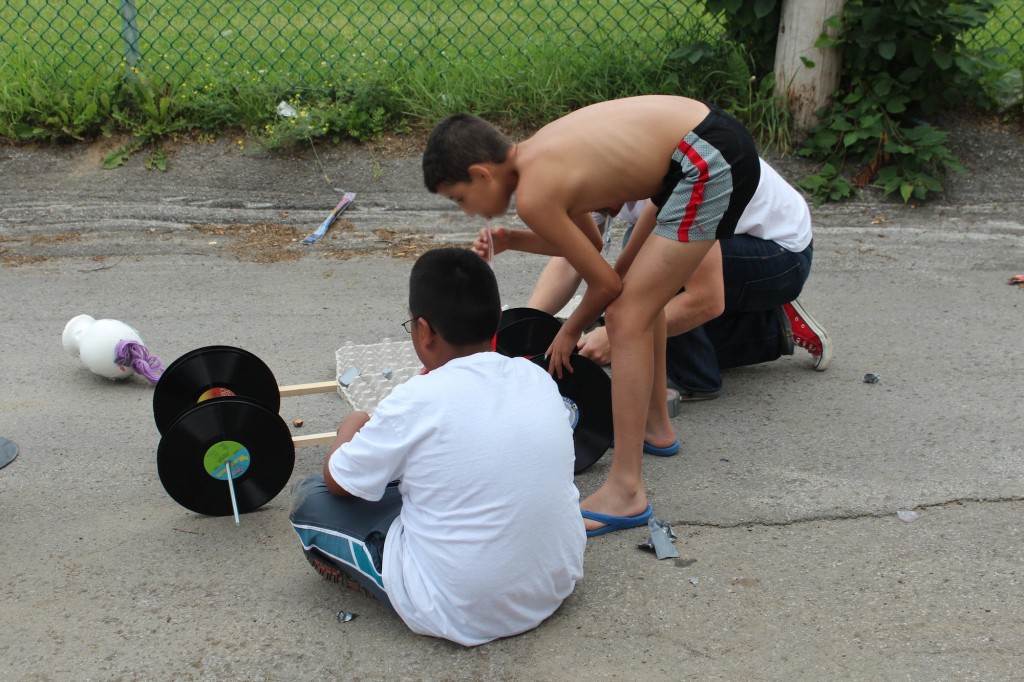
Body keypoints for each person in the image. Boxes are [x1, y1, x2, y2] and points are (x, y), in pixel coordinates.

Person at [423, 95, 758, 536]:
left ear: (482, 173)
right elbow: (590, 247)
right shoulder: (539, 156)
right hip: (702, 146)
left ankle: (626, 490)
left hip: (706, 159)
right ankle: (656, 427)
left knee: (626, 314)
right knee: (642, 297)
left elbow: (606, 286)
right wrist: (510, 239)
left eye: (461, 197)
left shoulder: (535, 193)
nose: (468, 211)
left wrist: (571, 329)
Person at [288, 247, 586, 647]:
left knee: (309, 498)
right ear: (496, 320)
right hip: (554, 582)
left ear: (423, 331)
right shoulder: (535, 379)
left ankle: (373, 576)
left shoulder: (414, 400)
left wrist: (352, 425)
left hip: (457, 608)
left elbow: (338, 482)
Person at [526, 171, 833, 403]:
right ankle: (775, 326)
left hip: (781, 258)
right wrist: (525, 325)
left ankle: (697, 378)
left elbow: (706, 300)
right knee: (642, 265)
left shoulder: (681, 179)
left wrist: (616, 334)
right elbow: (575, 257)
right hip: (735, 241)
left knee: (649, 264)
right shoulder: (600, 172)